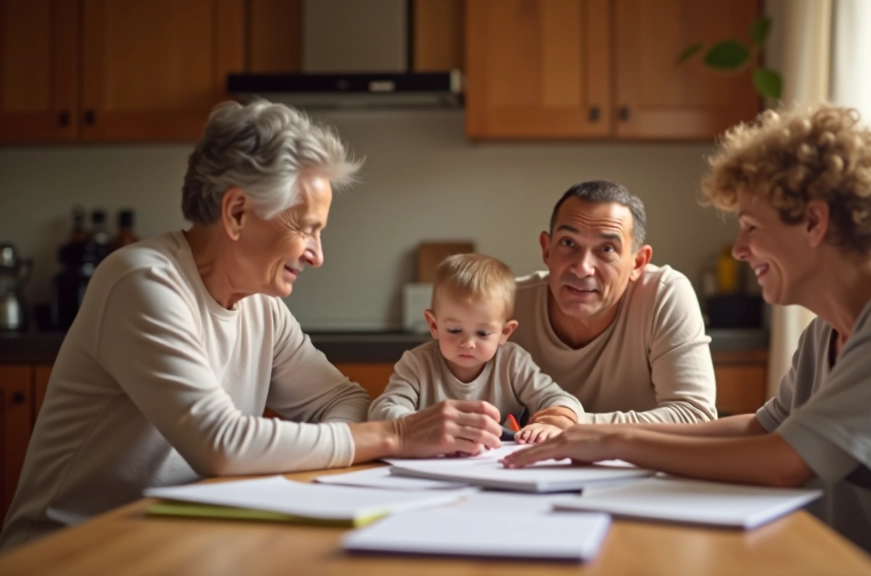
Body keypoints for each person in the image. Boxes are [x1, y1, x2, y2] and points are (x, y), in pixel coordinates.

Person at [503, 104, 871, 575]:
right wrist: (594, 437)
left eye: (751, 226)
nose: (738, 249)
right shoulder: (828, 329)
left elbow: (782, 462)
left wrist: (613, 440)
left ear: (814, 222)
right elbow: (760, 426)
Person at [0, 100, 502, 550]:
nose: (317, 254)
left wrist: (285, 449)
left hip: (180, 539)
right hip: (74, 551)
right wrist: (393, 435)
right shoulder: (142, 282)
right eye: (306, 228)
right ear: (237, 211)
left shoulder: (261, 306)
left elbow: (341, 401)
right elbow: (223, 445)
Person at [509, 180, 716, 424]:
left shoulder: (663, 294)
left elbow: (695, 415)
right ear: (547, 250)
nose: (583, 268)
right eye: (568, 243)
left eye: (607, 249)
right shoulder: (507, 304)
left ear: (637, 263)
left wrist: (580, 424)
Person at [369, 253, 584, 444]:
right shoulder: (417, 363)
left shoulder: (513, 362)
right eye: (454, 330)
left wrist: (551, 423)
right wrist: (419, 425)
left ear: (504, 333)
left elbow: (561, 400)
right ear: (434, 325)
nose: (468, 343)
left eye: (482, 333)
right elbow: (381, 411)